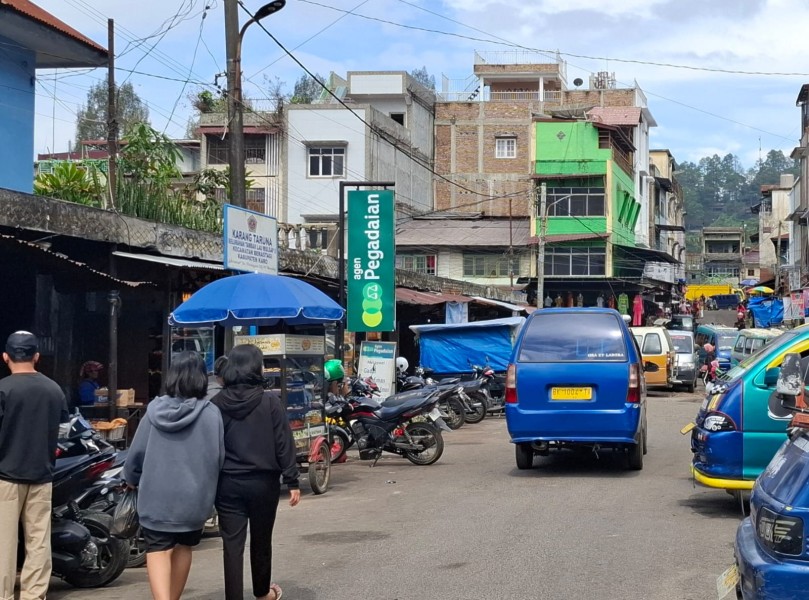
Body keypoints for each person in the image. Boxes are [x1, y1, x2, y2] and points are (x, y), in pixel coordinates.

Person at [123, 351, 225, 600]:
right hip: (194, 499)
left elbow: (137, 452)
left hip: (156, 496)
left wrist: (131, 478)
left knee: (158, 549)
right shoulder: (211, 413)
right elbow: (218, 458)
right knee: (183, 546)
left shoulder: (153, 411)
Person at [212, 344, 300, 600]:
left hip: (227, 484)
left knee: (232, 545)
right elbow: (283, 442)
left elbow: (210, 445)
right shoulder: (269, 401)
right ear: (255, 367)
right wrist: (292, 480)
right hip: (264, 484)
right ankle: (262, 593)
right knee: (261, 539)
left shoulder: (216, 404)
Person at [0, 331, 68, 600]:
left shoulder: (3, 389)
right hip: (42, 475)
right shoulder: (54, 389)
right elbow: (62, 428)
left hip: (5, 477)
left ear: (5, 357)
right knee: (38, 541)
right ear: (36, 356)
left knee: (4, 542)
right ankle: (34, 595)